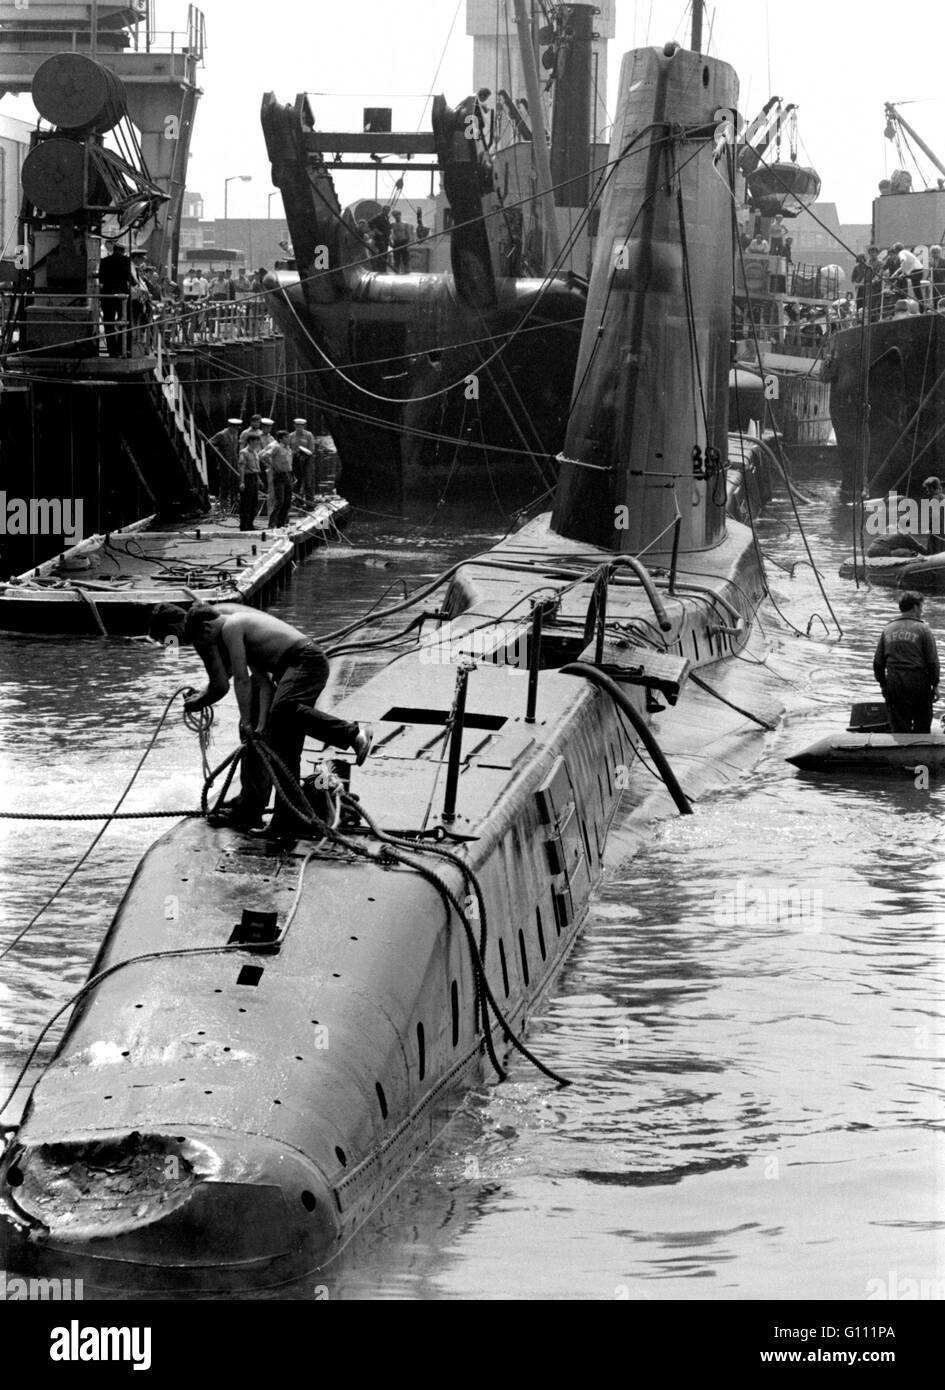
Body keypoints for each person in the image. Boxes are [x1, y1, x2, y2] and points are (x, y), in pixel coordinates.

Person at [149, 602, 373, 839]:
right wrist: (260, 724)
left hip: (301, 662)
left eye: (169, 639)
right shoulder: (227, 620)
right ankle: (286, 820)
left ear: (198, 628)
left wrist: (206, 705)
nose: (172, 645)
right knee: (283, 747)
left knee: (283, 711)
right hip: (286, 670)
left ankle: (352, 735)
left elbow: (229, 683)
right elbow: (262, 681)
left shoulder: (218, 630)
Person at [873, 592, 940, 733]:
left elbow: (878, 663)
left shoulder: (887, 629)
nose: (922, 610)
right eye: (921, 607)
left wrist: (884, 684)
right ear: (915, 607)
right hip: (918, 684)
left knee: (899, 730)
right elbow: (933, 662)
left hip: (894, 683)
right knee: (922, 729)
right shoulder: (924, 629)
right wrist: (935, 685)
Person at [98, 244, 134, 357]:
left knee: (109, 322)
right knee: (125, 322)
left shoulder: (104, 261)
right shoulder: (126, 261)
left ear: (113, 250)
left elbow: (101, 278)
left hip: (108, 294)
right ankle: (122, 348)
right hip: (122, 295)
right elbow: (129, 278)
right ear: (123, 251)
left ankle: (112, 350)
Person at [207, 418, 242, 508]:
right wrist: (218, 453)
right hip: (225, 462)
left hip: (234, 460)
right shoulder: (221, 434)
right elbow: (209, 443)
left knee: (235, 481)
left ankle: (234, 502)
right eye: (236, 427)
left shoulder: (235, 434)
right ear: (231, 426)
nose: (237, 430)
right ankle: (224, 503)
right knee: (225, 482)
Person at [263, 429, 294, 527]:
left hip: (287, 474)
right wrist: (274, 466)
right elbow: (265, 456)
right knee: (280, 500)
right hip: (279, 475)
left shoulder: (288, 448)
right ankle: (272, 523)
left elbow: (289, 463)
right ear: (281, 439)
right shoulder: (276, 447)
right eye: (286, 437)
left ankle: (281, 523)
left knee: (287, 501)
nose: (288, 439)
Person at [238, 428, 264, 530]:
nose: (257, 443)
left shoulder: (255, 452)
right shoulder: (244, 452)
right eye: (256, 441)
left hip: (254, 478)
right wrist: (242, 482)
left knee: (254, 503)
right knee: (246, 503)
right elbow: (242, 467)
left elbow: (256, 469)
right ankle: (244, 525)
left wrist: (259, 480)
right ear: (250, 442)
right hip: (247, 478)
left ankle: (250, 524)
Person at [288, 416, 317, 504]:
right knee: (297, 480)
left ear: (304, 426)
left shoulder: (309, 435)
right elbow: (288, 448)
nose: (299, 427)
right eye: (297, 425)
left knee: (308, 481)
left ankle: (309, 502)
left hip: (307, 459)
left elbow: (312, 449)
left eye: (301, 425)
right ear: (294, 426)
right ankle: (298, 501)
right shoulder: (291, 436)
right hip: (295, 459)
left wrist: (305, 455)